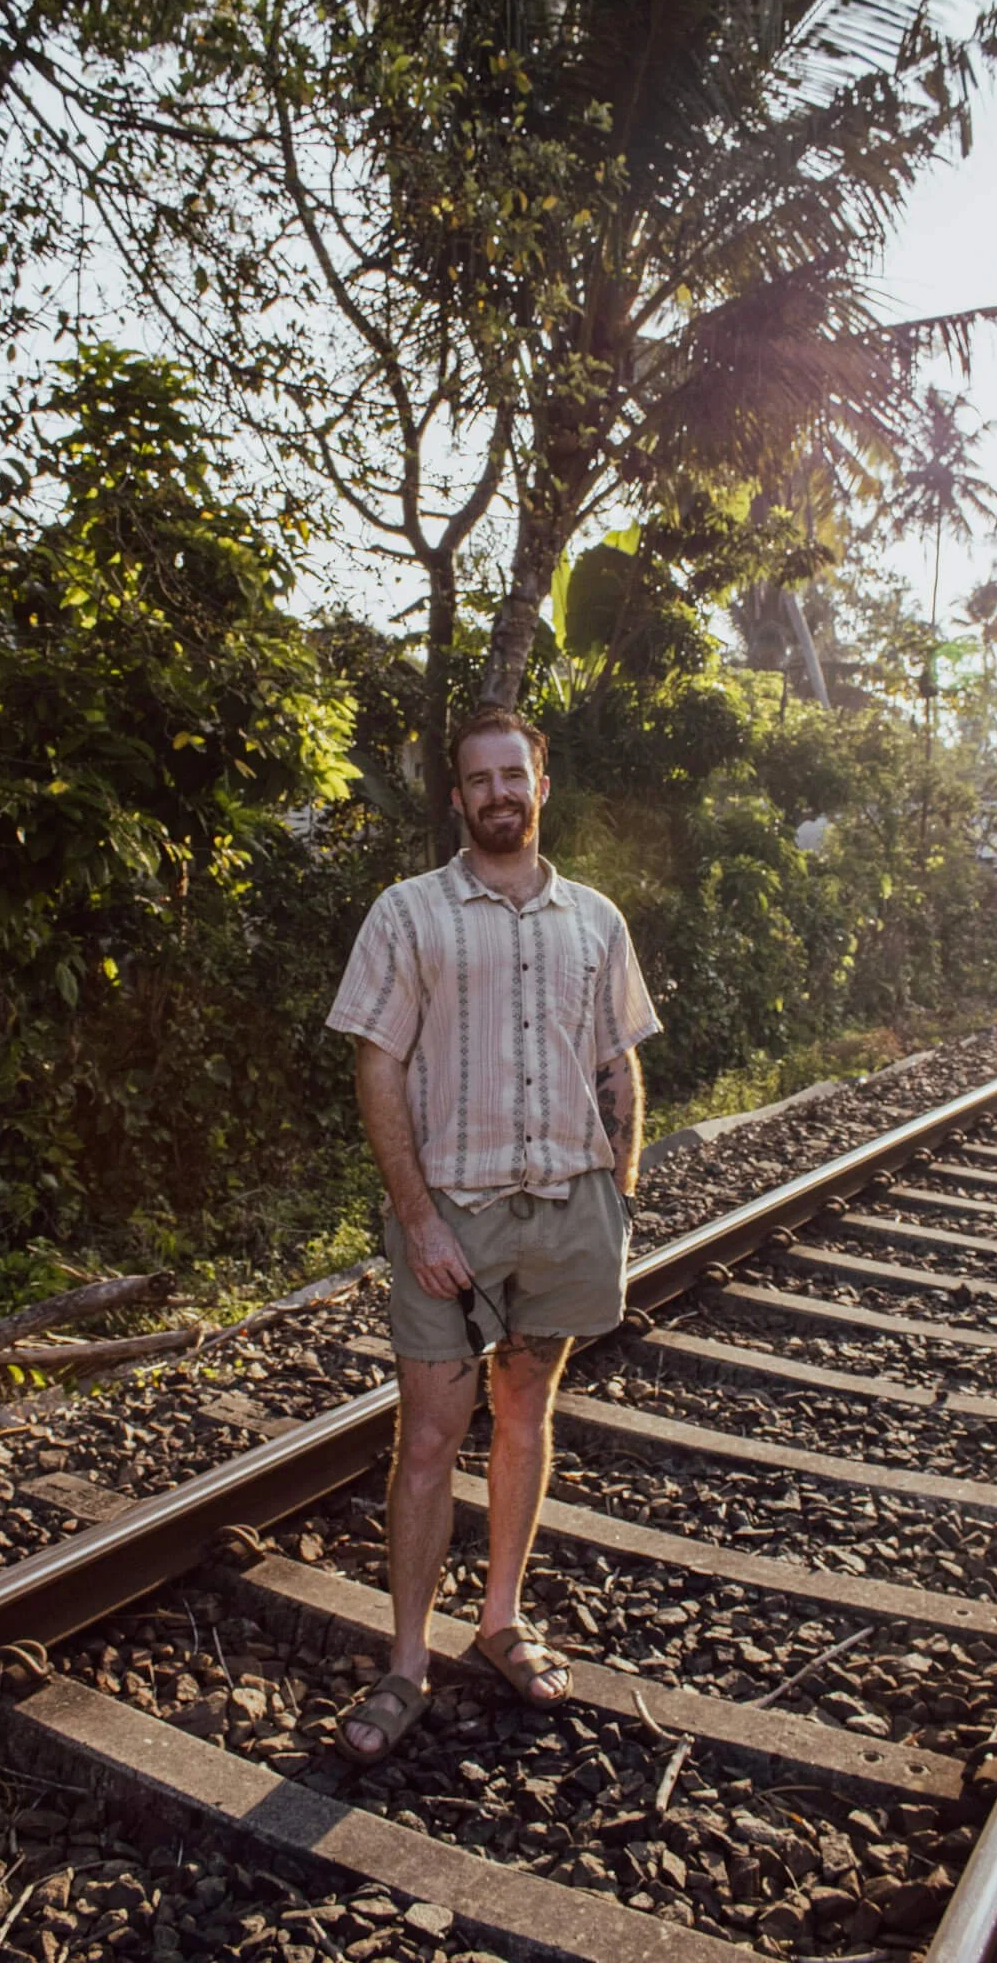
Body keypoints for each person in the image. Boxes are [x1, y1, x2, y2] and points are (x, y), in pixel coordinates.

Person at [324, 707, 660, 1763]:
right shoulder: (409, 913)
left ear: (541, 786)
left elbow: (618, 1061)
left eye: (515, 774)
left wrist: (620, 1192)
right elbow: (376, 1063)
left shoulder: (596, 919)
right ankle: (408, 1659)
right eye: (481, 779)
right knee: (427, 1438)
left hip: (565, 1205)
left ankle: (502, 1617)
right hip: (454, 1213)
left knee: (525, 1412)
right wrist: (417, 1215)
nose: (500, 792)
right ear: (459, 797)